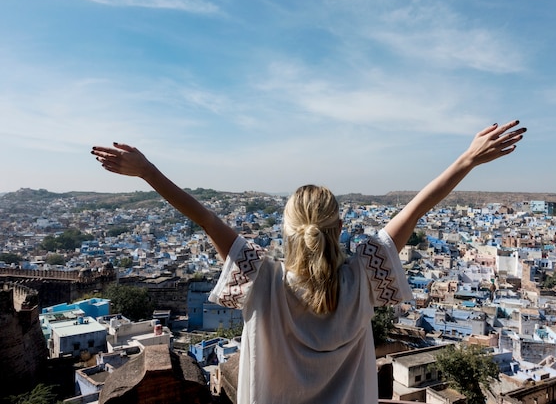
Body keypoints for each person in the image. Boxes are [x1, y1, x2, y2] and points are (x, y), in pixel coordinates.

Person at [91, 120, 526, 404]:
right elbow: (416, 208)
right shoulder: (363, 277)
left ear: (287, 231)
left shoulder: (260, 279)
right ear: (339, 228)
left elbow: (203, 215)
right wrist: (468, 158)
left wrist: (147, 171)